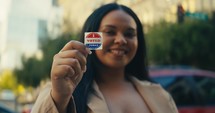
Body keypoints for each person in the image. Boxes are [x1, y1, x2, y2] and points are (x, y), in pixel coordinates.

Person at [31, 3, 178, 113]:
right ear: (91, 37)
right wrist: (60, 97)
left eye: (129, 34)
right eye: (110, 31)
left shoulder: (161, 95)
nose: (121, 40)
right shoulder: (58, 91)